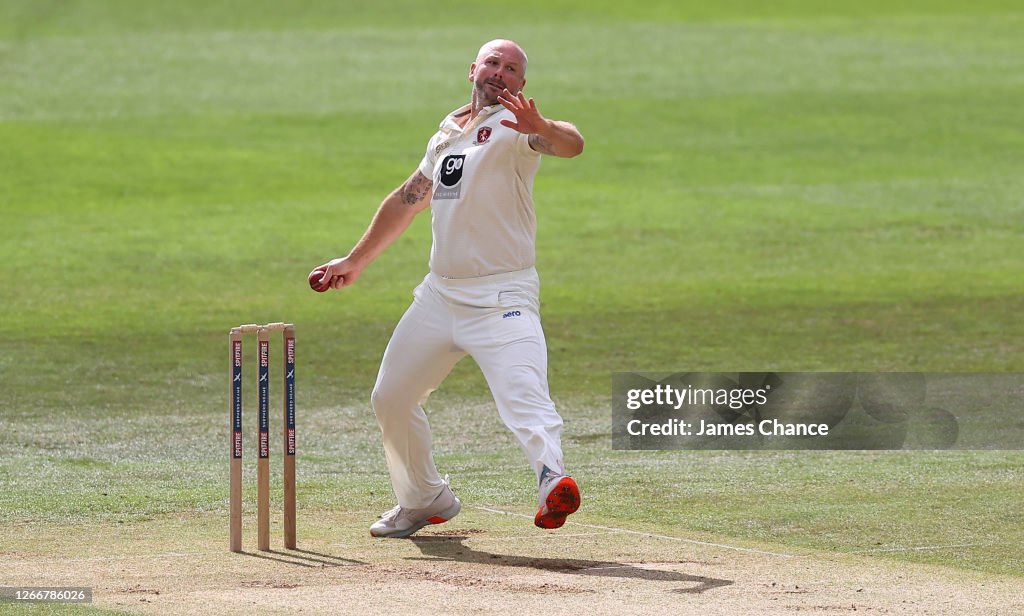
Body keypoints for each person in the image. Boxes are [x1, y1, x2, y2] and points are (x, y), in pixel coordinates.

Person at [313, 39, 585, 538]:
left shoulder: (516, 128)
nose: (501, 73)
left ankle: (552, 480)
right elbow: (407, 199)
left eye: (512, 69)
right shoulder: (446, 133)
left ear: (522, 84)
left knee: (523, 393)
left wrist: (541, 127)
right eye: (493, 64)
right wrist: (355, 260)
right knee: (391, 397)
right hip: (440, 297)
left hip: (503, 297)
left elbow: (571, 143)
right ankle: (423, 499)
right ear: (473, 70)